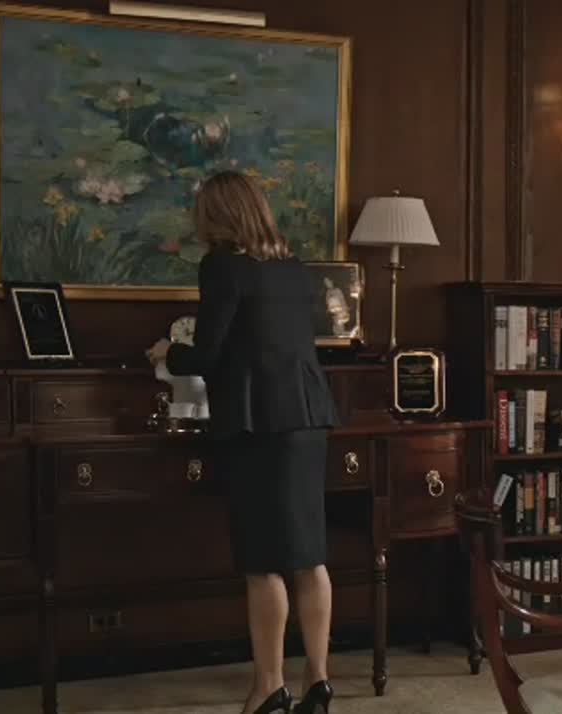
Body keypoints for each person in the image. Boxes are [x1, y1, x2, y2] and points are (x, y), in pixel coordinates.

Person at [147, 171, 340, 714]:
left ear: (217, 215)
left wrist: (166, 353)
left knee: (264, 562)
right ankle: (318, 683)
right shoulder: (293, 268)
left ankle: (268, 687)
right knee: (310, 557)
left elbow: (208, 355)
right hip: (309, 420)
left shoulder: (222, 265)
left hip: (259, 425)